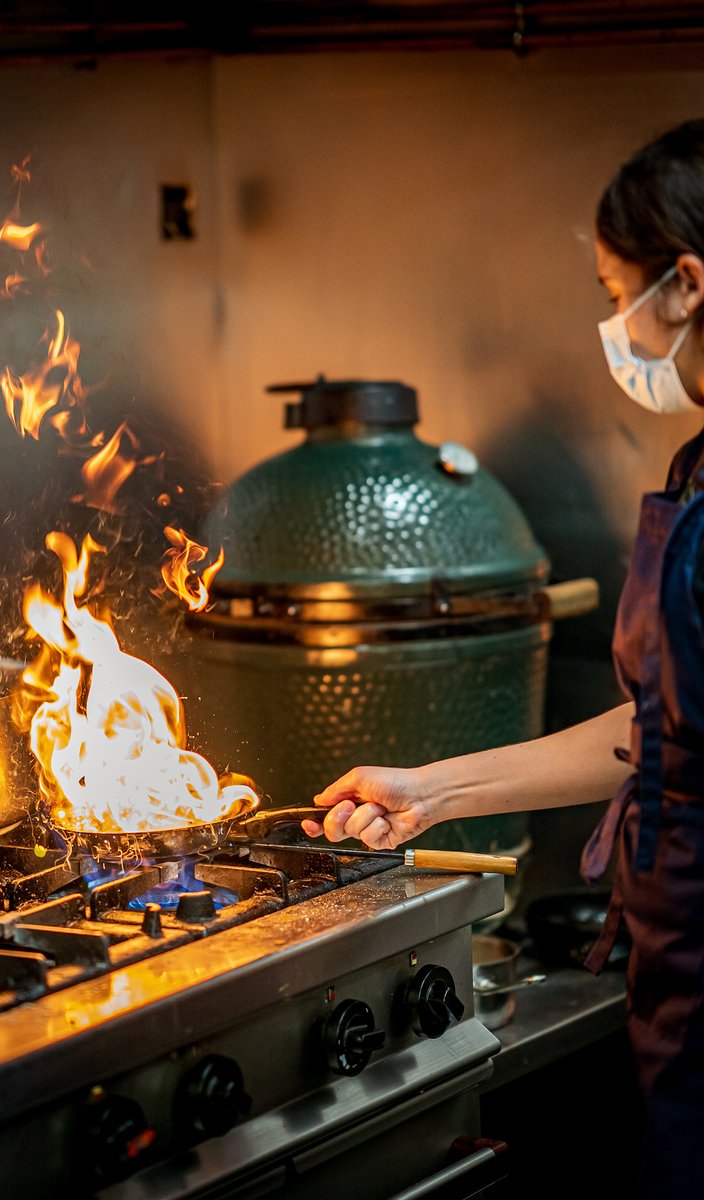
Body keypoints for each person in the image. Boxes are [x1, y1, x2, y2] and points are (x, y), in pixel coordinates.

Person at [303, 118, 704, 1200]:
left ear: (688, 286)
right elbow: (652, 726)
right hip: (682, 968)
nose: (613, 325)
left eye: (618, 288)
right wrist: (433, 790)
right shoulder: (700, 463)